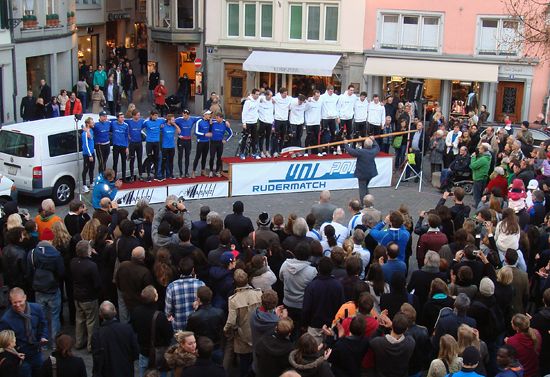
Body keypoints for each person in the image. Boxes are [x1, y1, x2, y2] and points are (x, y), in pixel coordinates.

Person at [26, 230, 65, 343]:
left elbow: (29, 272)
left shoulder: (32, 253)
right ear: (50, 240)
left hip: (39, 288)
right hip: (53, 288)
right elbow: (61, 272)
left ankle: (42, 340)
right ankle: (54, 342)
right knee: (54, 317)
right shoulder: (56, 254)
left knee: (40, 316)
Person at [0, 288, 48, 377]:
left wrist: (43, 336)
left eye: (20, 301)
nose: (18, 305)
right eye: (14, 302)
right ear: (10, 301)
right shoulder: (6, 319)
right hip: (21, 357)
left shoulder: (37, 308)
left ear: (25, 297)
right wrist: (15, 354)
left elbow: (43, 324)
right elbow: (4, 342)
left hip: (37, 352)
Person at [223, 269, 262, 377]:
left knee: (244, 363)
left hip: (242, 337)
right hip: (257, 333)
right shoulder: (258, 293)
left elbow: (230, 322)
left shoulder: (233, 300)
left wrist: (226, 331)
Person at [130, 285, 173, 375]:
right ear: (155, 298)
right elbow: (169, 334)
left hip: (143, 350)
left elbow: (134, 329)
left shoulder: (135, 312)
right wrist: (168, 323)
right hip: (158, 353)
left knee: (144, 372)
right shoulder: (160, 316)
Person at [91, 301, 139, 377]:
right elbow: (135, 352)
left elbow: (97, 359)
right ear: (115, 311)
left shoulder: (97, 335)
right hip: (125, 371)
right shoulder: (127, 329)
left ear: (100, 315)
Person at [302, 257, 344, 343]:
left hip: (316, 326)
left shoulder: (312, 286)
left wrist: (304, 324)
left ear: (318, 269)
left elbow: (306, 308)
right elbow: (341, 306)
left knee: (313, 352)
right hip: (330, 326)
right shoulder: (338, 286)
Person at [71, 240, 101, 352]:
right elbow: (97, 283)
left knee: (79, 319)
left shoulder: (73, 262)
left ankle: (79, 342)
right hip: (89, 297)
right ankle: (91, 345)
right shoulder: (91, 266)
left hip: (77, 296)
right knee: (91, 322)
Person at [165, 257, 205, 332]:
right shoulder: (201, 284)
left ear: (179, 269)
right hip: (197, 326)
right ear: (193, 269)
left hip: (178, 327)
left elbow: (168, 311)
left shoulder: (171, 287)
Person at [370, 312, 415, 377]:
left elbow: (371, 341)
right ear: (406, 329)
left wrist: (381, 327)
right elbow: (408, 334)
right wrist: (391, 325)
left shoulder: (378, 343)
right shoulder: (410, 343)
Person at [115, 247, 154, 323]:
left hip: (125, 297)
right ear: (143, 257)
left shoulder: (123, 265)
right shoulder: (145, 272)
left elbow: (117, 280)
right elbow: (149, 291)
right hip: (138, 302)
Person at [175, 109, 201, 178]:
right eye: (183, 115)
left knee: (187, 157)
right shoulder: (179, 119)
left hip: (188, 141)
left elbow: (203, 117)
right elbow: (170, 121)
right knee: (180, 156)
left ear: (189, 115)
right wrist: (177, 127)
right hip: (181, 140)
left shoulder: (192, 119)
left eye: (186, 115)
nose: (184, 117)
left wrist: (225, 121)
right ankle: (181, 172)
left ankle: (186, 172)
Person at [142, 110, 164, 181]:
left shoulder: (160, 120)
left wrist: (163, 126)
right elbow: (140, 128)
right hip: (149, 143)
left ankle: (156, 175)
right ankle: (148, 175)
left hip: (156, 142)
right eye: (155, 116)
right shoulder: (146, 122)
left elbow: (169, 120)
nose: (156, 117)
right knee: (149, 158)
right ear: (151, 115)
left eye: (157, 115)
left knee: (156, 158)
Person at [209, 112, 233, 177]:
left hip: (220, 143)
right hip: (213, 142)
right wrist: (225, 120)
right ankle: (211, 171)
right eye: (216, 117)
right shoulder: (214, 122)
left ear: (221, 118)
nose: (216, 119)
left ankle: (217, 171)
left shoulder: (225, 124)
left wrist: (226, 140)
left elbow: (231, 133)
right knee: (212, 157)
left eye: (217, 118)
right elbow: (209, 119)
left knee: (219, 158)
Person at [191, 110, 213, 178]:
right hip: (200, 141)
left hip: (207, 142)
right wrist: (204, 134)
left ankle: (203, 171)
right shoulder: (199, 121)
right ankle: (193, 172)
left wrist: (226, 122)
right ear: (204, 115)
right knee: (197, 157)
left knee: (204, 157)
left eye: (210, 114)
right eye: (209, 114)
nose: (210, 116)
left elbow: (220, 119)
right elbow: (196, 132)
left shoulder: (209, 121)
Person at [240, 89, 261, 159]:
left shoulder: (258, 99)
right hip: (248, 122)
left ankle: (254, 153)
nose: (258, 96)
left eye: (258, 94)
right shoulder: (248, 102)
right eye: (256, 94)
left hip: (254, 122)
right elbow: (244, 112)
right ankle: (242, 153)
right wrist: (244, 123)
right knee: (245, 138)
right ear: (253, 94)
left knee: (254, 138)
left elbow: (266, 96)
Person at [272, 87, 292, 157]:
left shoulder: (289, 98)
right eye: (284, 94)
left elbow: (296, 99)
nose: (285, 95)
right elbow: (265, 97)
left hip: (285, 120)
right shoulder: (276, 98)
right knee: (276, 136)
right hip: (277, 120)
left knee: (283, 137)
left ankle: (280, 151)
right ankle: (274, 151)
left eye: (286, 93)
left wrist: (307, 100)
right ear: (280, 93)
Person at [126, 109, 145, 181]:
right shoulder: (129, 122)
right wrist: (128, 135)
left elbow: (147, 122)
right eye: (137, 115)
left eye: (139, 115)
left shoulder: (141, 121)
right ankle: (131, 175)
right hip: (132, 143)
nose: (139, 116)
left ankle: (140, 175)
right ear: (133, 116)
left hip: (139, 143)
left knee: (140, 159)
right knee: (132, 159)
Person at [110, 112, 130, 181]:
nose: (123, 119)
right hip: (116, 146)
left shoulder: (126, 125)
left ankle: (124, 178)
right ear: (118, 118)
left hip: (123, 146)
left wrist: (127, 147)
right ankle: (114, 178)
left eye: (123, 117)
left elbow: (126, 136)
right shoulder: (113, 123)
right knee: (115, 163)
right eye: (121, 117)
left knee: (123, 162)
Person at [160, 114, 180, 180]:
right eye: (172, 120)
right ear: (169, 120)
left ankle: (171, 174)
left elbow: (179, 131)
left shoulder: (173, 126)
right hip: (165, 146)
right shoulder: (163, 126)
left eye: (174, 119)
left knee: (171, 161)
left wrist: (174, 124)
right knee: (164, 161)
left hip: (172, 146)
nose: (174, 120)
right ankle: (163, 174)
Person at [258, 90, 274, 158]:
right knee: (261, 137)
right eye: (270, 95)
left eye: (272, 95)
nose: (271, 97)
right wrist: (249, 97)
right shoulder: (261, 98)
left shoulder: (272, 100)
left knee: (268, 137)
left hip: (269, 122)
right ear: (266, 95)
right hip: (262, 121)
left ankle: (267, 151)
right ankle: (261, 151)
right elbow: (252, 97)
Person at [81, 117, 95, 193]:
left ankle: (91, 183)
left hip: (92, 152)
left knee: (92, 168)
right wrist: (90, 155)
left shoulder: (91, 131)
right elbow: (86, 145)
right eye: (92, 123)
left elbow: (91, 139)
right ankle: (84, 185)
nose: (93, 124)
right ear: (88, 124)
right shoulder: (84, 134)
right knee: (86, 169)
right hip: (87, 154)